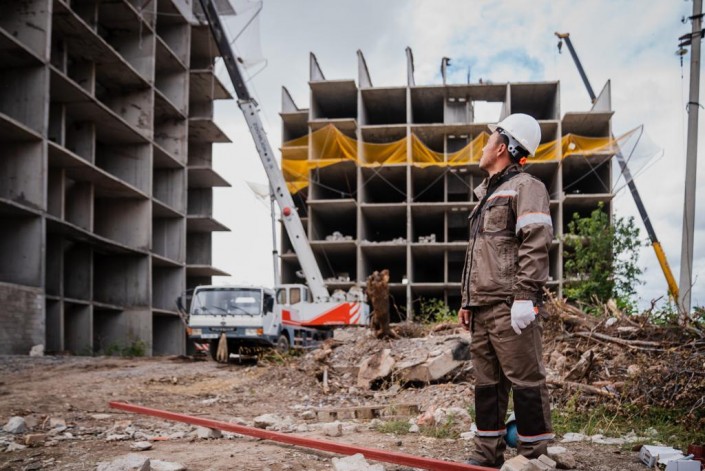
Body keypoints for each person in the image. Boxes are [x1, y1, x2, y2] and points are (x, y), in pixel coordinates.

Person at [459, 113, 554, 468]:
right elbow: (479, 253)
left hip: (510, 304)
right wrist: (467, 301)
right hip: (483, 307)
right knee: (487, 385)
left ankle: (533, 456)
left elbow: (536, 241)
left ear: (502, 147)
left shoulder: (527, 187)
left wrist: (525, 296)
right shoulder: (486, 195)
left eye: (488, 140)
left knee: (526, 381)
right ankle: (487, 453)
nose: (483, 147)